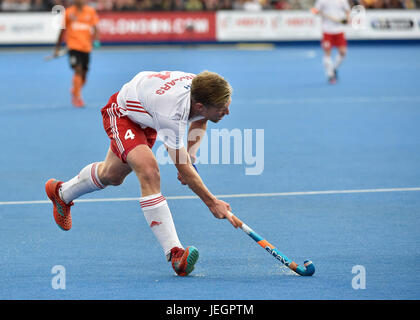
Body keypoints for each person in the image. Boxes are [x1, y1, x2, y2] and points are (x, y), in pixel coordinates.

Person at [45, 70, 239, 276]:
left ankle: (62, 192)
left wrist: (190, 154)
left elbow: (200, 120)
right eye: (222, 108)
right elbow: (181, 166)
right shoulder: (171, 113)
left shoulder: (202, 90)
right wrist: (211, 202)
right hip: (123, 113)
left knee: (112, 176)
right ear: (200, 105)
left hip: (147, 113)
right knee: (149, 171)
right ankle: (175, 254)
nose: (227, 111)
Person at [53, 0, 100, 107]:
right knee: (78, 70)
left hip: (86, 48)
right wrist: (57, 47)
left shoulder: (90, 11)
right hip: (73, 47)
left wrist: (96, 40)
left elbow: (96, 27)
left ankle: (75, 88)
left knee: (83, 76)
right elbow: (62, 30)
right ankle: (77, 97)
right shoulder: (69, 12)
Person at [311, 0, 351, 84]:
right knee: (327, 53)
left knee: (343, 52)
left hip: (339, 30)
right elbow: (314, 10)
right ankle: (330, 75)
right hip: (327, 30)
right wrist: (317, 11)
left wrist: (347, 19)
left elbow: (347, 10)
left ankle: (334, 68)